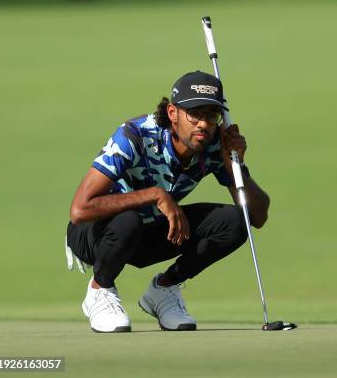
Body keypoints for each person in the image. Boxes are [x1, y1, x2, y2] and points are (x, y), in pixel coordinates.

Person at [65, 70, 270, 333]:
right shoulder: (134, 135)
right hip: (94, 233)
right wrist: (154, 194)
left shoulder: (215, 144)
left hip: (149, 231)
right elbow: (80, 210)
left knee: (235, 222)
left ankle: (164, 289)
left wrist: (235, 165)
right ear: (173, 113)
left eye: (211, 115)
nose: (204, 124)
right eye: (195, 114)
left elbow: (258, 216)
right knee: (129, 220)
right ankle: (99, 289)